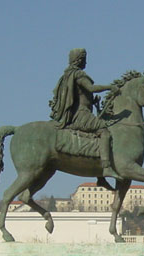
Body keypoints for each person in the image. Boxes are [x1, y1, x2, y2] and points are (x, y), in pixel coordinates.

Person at [49, 48, 116, 185]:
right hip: (80, 114)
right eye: (85, 59)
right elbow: (91, 88)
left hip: (78, 112)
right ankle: (106, 168)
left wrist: (92, 102)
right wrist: (110, 87)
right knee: (104, 131)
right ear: (80, 60)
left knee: (94, 137)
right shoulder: (78, 74)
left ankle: (100, 178)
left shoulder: (67, 75)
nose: (86, 62)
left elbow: (81, 95)